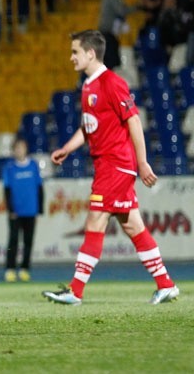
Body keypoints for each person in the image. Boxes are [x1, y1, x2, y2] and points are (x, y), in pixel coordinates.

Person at [43, 30, 179, 306]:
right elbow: (88, 126)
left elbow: (134, 122)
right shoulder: (88, 86)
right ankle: (166, 285)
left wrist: (142, 162)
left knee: (95, 221)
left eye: (75, 52)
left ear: (90, 53)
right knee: (133, 226)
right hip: (106, 165)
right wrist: (68, 148)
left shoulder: (112, 83)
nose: (71, 58)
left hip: (116, 165)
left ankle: (75, 290)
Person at [2, 137, 43, 283]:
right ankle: (10, 269)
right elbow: (6, 190)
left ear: (26, 149)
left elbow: (39, 187)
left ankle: (25, 268)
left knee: (28, 241)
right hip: (15, 212)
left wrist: (40, 208)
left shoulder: (33, 166)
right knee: (13, 241)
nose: (19, 151)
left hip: (31, 210)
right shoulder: (9, 168)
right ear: (13, 151)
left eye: (22, 147)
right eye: (17, 148)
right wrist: (10, 209)